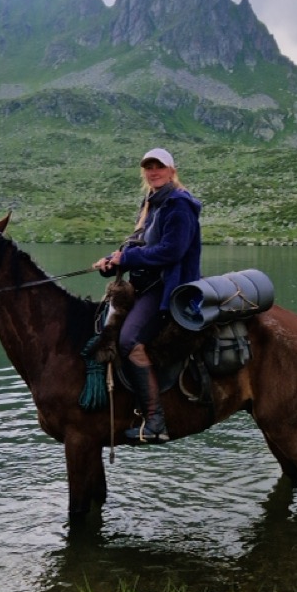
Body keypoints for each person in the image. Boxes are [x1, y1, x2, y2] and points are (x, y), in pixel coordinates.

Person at [92, 147, 202, 442]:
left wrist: (126, 261)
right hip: (146, 284)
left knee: (129, 341)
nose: (153, 171)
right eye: (148, 167)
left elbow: (172, 251)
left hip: (167, 287)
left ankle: (155, 421)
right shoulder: (151, 203)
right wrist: (111, 260)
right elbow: (137, 244)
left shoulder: (179, 205)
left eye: (159, 167)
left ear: (172, 171)